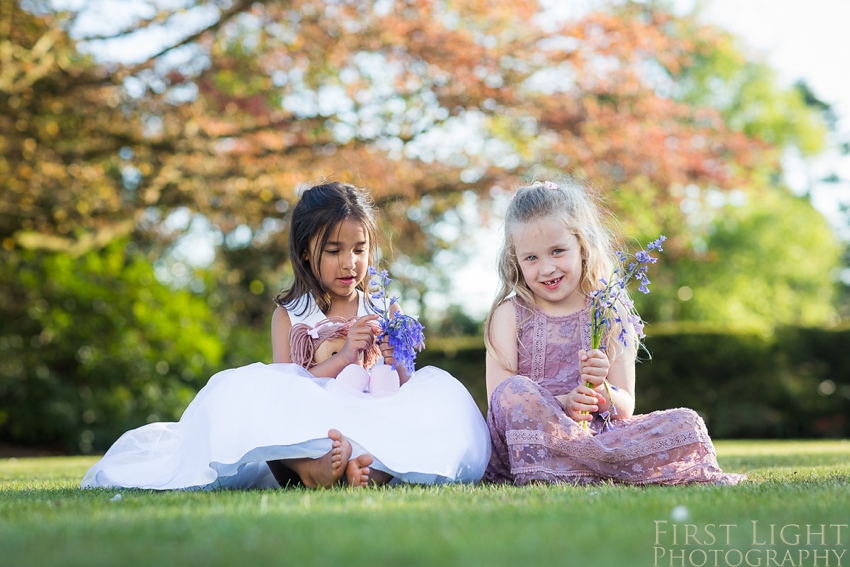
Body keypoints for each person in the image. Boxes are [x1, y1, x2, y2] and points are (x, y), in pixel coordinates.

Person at [82, 182, 490, 491]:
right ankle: (311, 469)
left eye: (360, 249)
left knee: (439, 403)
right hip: (316, 413)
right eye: (334, 250)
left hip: (372, 408)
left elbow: (402, 382)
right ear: (306, 251)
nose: (350, 263)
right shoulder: (291, 314)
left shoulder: (385, 308)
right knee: (250, 395)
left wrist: (391, 355)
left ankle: (370, 468)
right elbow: (287, 387)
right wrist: (347, 354)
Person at [484, 178, 744, 486]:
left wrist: (602, 392)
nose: (547, 268)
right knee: (515, 389)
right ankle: (575, 469)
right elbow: (500, 399)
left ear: (582, 246)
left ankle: (578, 468)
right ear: (516, 260)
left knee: (685, 422)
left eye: (557, 251)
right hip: (529, 444)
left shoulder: (608, 309)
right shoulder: (511, 314)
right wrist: (564, 402)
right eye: (531, 258)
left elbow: (625, 406)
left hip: (596, 435)